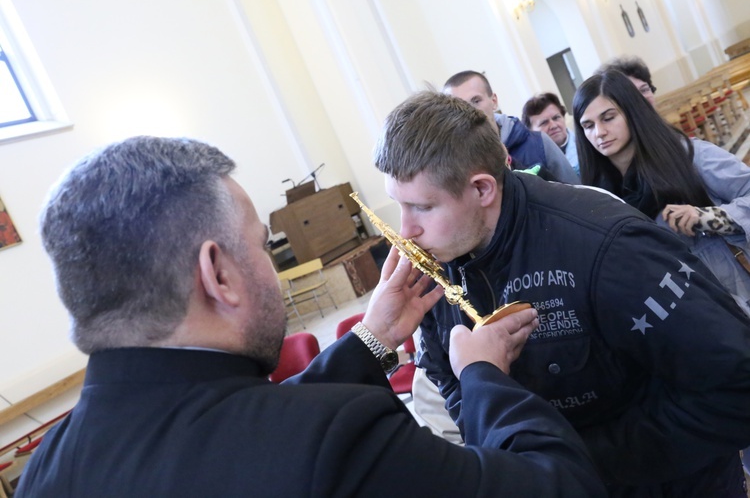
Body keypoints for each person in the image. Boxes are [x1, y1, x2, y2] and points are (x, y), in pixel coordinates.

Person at [15, 136, 606, 497]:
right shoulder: (337, 436)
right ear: (218, 274)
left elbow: (225, 428)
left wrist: (372, 340)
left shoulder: (48, 469)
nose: (271, 269)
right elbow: (562, 486)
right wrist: (485, 379)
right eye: (261, 246)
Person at [375, 91, 750, 497]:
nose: (406, 230)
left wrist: (575, 461)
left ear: (482, 189)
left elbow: (735, 384)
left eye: (422, 208)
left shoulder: (608, 247)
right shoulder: (438, 259)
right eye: (399, 206)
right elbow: (446, 375)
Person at [573, 69, 750, 315]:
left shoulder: (689, 156)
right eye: (588, 125)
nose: (599, 132)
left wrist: (708, 217)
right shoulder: (598, 197)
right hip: (678, 316)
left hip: (733, 296)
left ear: (632, 112)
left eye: (608, 118)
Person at [443, 70, 580, 184]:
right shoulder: (453, 163)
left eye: (476, 101)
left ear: (494, 101)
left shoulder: (539, 143)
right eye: (459, 106)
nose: (469, 111)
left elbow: (577, 195)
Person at [522, 92, 579, 176]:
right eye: (544, 123)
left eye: (556, 118)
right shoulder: (528, 166)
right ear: (531, 131)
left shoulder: (588, 144)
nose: (553, 125)